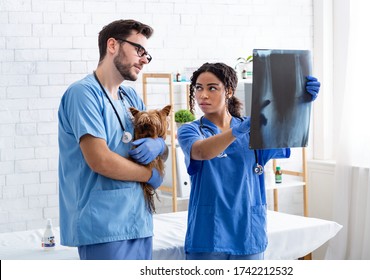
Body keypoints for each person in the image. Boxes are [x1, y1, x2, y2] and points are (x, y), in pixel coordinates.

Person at [177, 62, 320, 260]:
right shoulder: (191, 130)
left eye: (212, 88)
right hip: (208, 234)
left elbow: (288, 134)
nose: (203, 95)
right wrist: (237, 132)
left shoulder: (253, 129)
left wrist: (302, 104)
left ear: (228, 91)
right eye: (198, 88)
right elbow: (201, 152)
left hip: (248, 233)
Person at [58, 19, 167, 260]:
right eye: (139, 50)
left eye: (147, 54)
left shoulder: (131, 98)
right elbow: (101, 161)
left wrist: (160, 145)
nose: (144, 59)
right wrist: (150, 175)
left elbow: (157, 142)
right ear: (112, 45)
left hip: (139, 220)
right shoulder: (83, 94)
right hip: (102, 224)